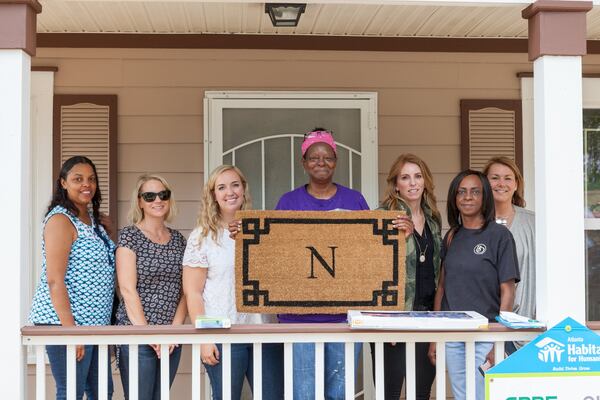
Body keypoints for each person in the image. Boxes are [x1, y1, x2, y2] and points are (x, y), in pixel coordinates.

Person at [274, 128, 369, 400]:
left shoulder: (354, 200)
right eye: (313, 157)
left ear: (335, 161)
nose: (321, 162)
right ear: (303, 163)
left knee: (339, 394)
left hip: (346, 316)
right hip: (297, 318)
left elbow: (370, 249)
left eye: (327, 157)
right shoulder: (288, 202)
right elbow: (275, 252)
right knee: (303, 394)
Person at [183, 165, 283, 400]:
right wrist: (205, 338)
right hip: (223, 333)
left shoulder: (261, 229)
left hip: (264, 332)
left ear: (244, 189)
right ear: (213, 195)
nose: (230, 192)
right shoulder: (202, 236)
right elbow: (193, 292)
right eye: (222, 187)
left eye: (235, 185)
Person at [29, 156, 115, 400]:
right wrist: (71, 331)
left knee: (102, 392)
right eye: (78, 179)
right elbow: (55, 280)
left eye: (91, 179)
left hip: (96, 325)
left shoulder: (94, 222)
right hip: (66, 321)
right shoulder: (60, 220)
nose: (86, 184)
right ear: (63, 183)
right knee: (71, 393)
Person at [428, 170, 520, 400]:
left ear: (484, 197)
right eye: (462, 192)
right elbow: (442, 288)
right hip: (452, 332)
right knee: (462, 395)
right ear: (454, 198)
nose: (467, 197)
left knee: (483, 395)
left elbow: (507, 289)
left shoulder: (499, 236)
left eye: (475, 192)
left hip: (486, 334)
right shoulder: (451, 236)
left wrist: (499, 339)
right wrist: (435, 337)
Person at [370, 154, 441, 400]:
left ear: (425, 181)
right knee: (389, 393)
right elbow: (371, 269)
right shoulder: (383, 216)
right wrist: (386, 318)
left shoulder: (433, 219)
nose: (412, 183)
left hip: (427, 317)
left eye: (418, 176)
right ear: (396, 184)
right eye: (405, 177)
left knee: (421, 392)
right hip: (394, 316)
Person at [114, 174, 187, 399]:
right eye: (149, 195)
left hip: (171, 337)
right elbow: (127, 289)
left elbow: (186, 290)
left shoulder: (178, 240)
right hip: (137, 333)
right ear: (139, 201)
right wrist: (148, 334)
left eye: (163, 194)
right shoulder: (129, 236)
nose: (158, 200)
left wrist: (174, 331)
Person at [483, 157, 535, 354]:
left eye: (507, 178)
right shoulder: (473, 223)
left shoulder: (533, 224)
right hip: (485, 326)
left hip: (525, 326)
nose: (501, 184)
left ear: (516, 184)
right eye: (494, 178)